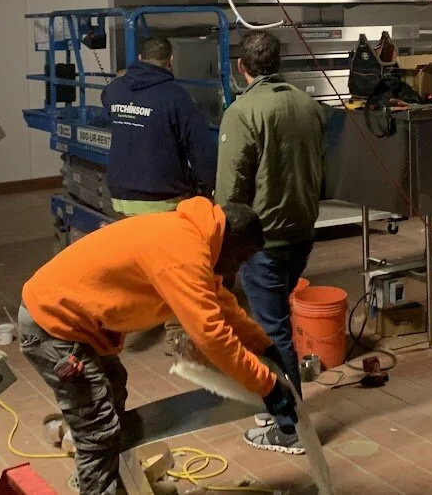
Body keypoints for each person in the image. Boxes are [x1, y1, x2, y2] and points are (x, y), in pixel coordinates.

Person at [19, 198, 297, 495]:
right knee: (97, 428)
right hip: (53, 324)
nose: (235, 271)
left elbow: (223, 307)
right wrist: (266, 386)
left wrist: (264, 347)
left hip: (76, 321)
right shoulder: (185, 255)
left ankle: (112, 480)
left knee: (113, 387)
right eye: (239, 259)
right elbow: (212, 335)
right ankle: (98, 485)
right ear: (231, 239)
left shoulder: (197, 237)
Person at [215, 30, 327, 454]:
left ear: (241, 67)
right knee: (275, 319)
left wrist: (221, 239)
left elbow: (231, 190)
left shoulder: (242, 112)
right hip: (303, 230)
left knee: (271, 331)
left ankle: (290, 426)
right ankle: (274, 399)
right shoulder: (308, 105)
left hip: (264, 239)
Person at [101, 36, 217, 216]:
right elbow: (200, 150)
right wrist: (213, 188)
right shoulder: (177, 97)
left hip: (121, 194)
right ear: (171, 60)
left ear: (140, 58)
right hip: (162, 196)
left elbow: (108, 101)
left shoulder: (114, 90)